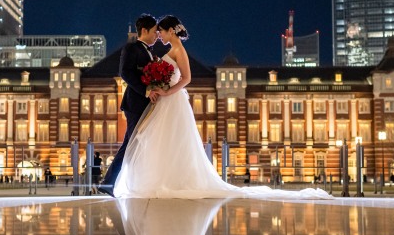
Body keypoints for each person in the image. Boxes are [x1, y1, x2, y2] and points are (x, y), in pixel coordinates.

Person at [113, 15, 330, 201]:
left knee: (171, 141)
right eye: (156, 31)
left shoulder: (179, 50)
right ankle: (161, 180)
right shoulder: (170, 49)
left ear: (171, 31)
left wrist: (167, 92)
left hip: (171, 101)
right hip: (164, 102)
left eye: (160, 31)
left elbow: (187, 78)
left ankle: (170, 182)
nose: (158, 35)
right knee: (163, 142)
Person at [98, 14, 161, 196]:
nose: (157, 35)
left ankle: (111, 183)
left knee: (133, 144)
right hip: (135, 104)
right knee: (132, 143)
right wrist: (146, 91)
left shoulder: (149, 52)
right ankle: (112, 183)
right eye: (155, 32)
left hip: (143, 104)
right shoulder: (132, 48)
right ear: (144, 30)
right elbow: (125, 73)